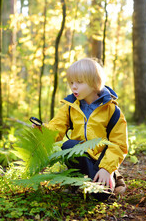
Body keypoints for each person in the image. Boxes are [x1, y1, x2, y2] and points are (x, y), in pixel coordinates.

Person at [41, 58, 128, 200]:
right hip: (79, 156)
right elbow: (55, 128)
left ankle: (112, 176)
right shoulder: (70, 107)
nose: (73, 87)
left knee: (101, 195)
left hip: (101, 161)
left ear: (94, 83)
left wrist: (106, 169)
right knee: (69, 146)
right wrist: (42, 131)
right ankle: (77, 182)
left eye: (79, 82)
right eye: (71, 82)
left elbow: (119, 144)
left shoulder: (112, 111)